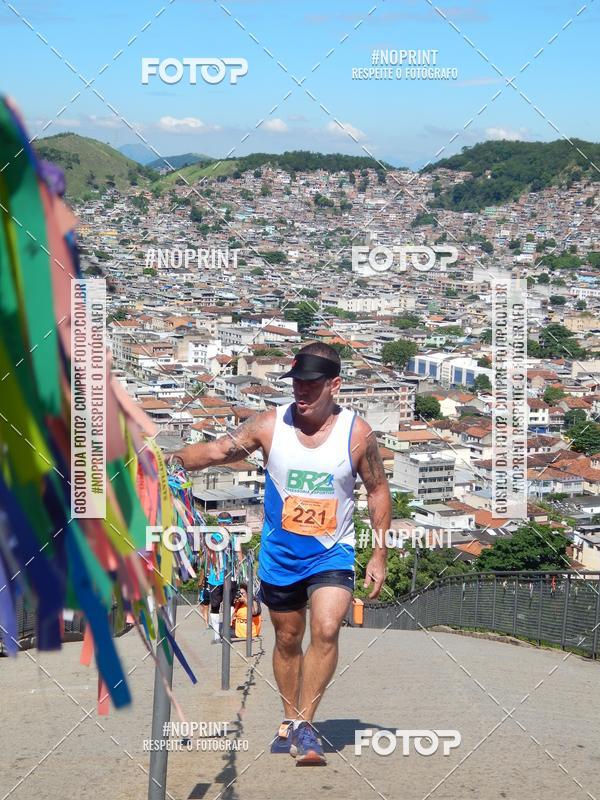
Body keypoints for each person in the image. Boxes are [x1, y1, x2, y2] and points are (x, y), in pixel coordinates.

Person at [171, 342, 391, 765]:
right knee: (288, 638)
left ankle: (306, 726)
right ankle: (289, 719)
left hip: (333, 552)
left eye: (311, 384)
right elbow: (219, 450)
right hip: (281, 555)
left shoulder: (357, 433)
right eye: (296, 384)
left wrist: (379, 553)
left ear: (335, 385)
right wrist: (173, 459)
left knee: (326, 629)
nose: (301, 392)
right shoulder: (270, 426)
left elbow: (378, 489)